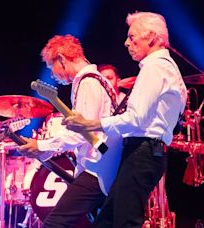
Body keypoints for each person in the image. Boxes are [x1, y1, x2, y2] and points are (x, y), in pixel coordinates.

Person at [63, 12, 187, 227]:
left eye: (132, 37)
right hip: (147, 152)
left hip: (142, 152)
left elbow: (136, 119)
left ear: (152, 38)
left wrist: (91, 124)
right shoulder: (167, 68)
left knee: (124, 222)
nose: (126, 42)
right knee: (108, 221)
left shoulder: (155, 67)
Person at [18, 34, 123, 227]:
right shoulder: (97, 80)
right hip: (103, 168)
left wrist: (41, 144)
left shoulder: (88, 82)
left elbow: (79, 132)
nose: (53, 75)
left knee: (54, 223)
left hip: (96, 170)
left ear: (62, 59)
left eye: (52, 68)